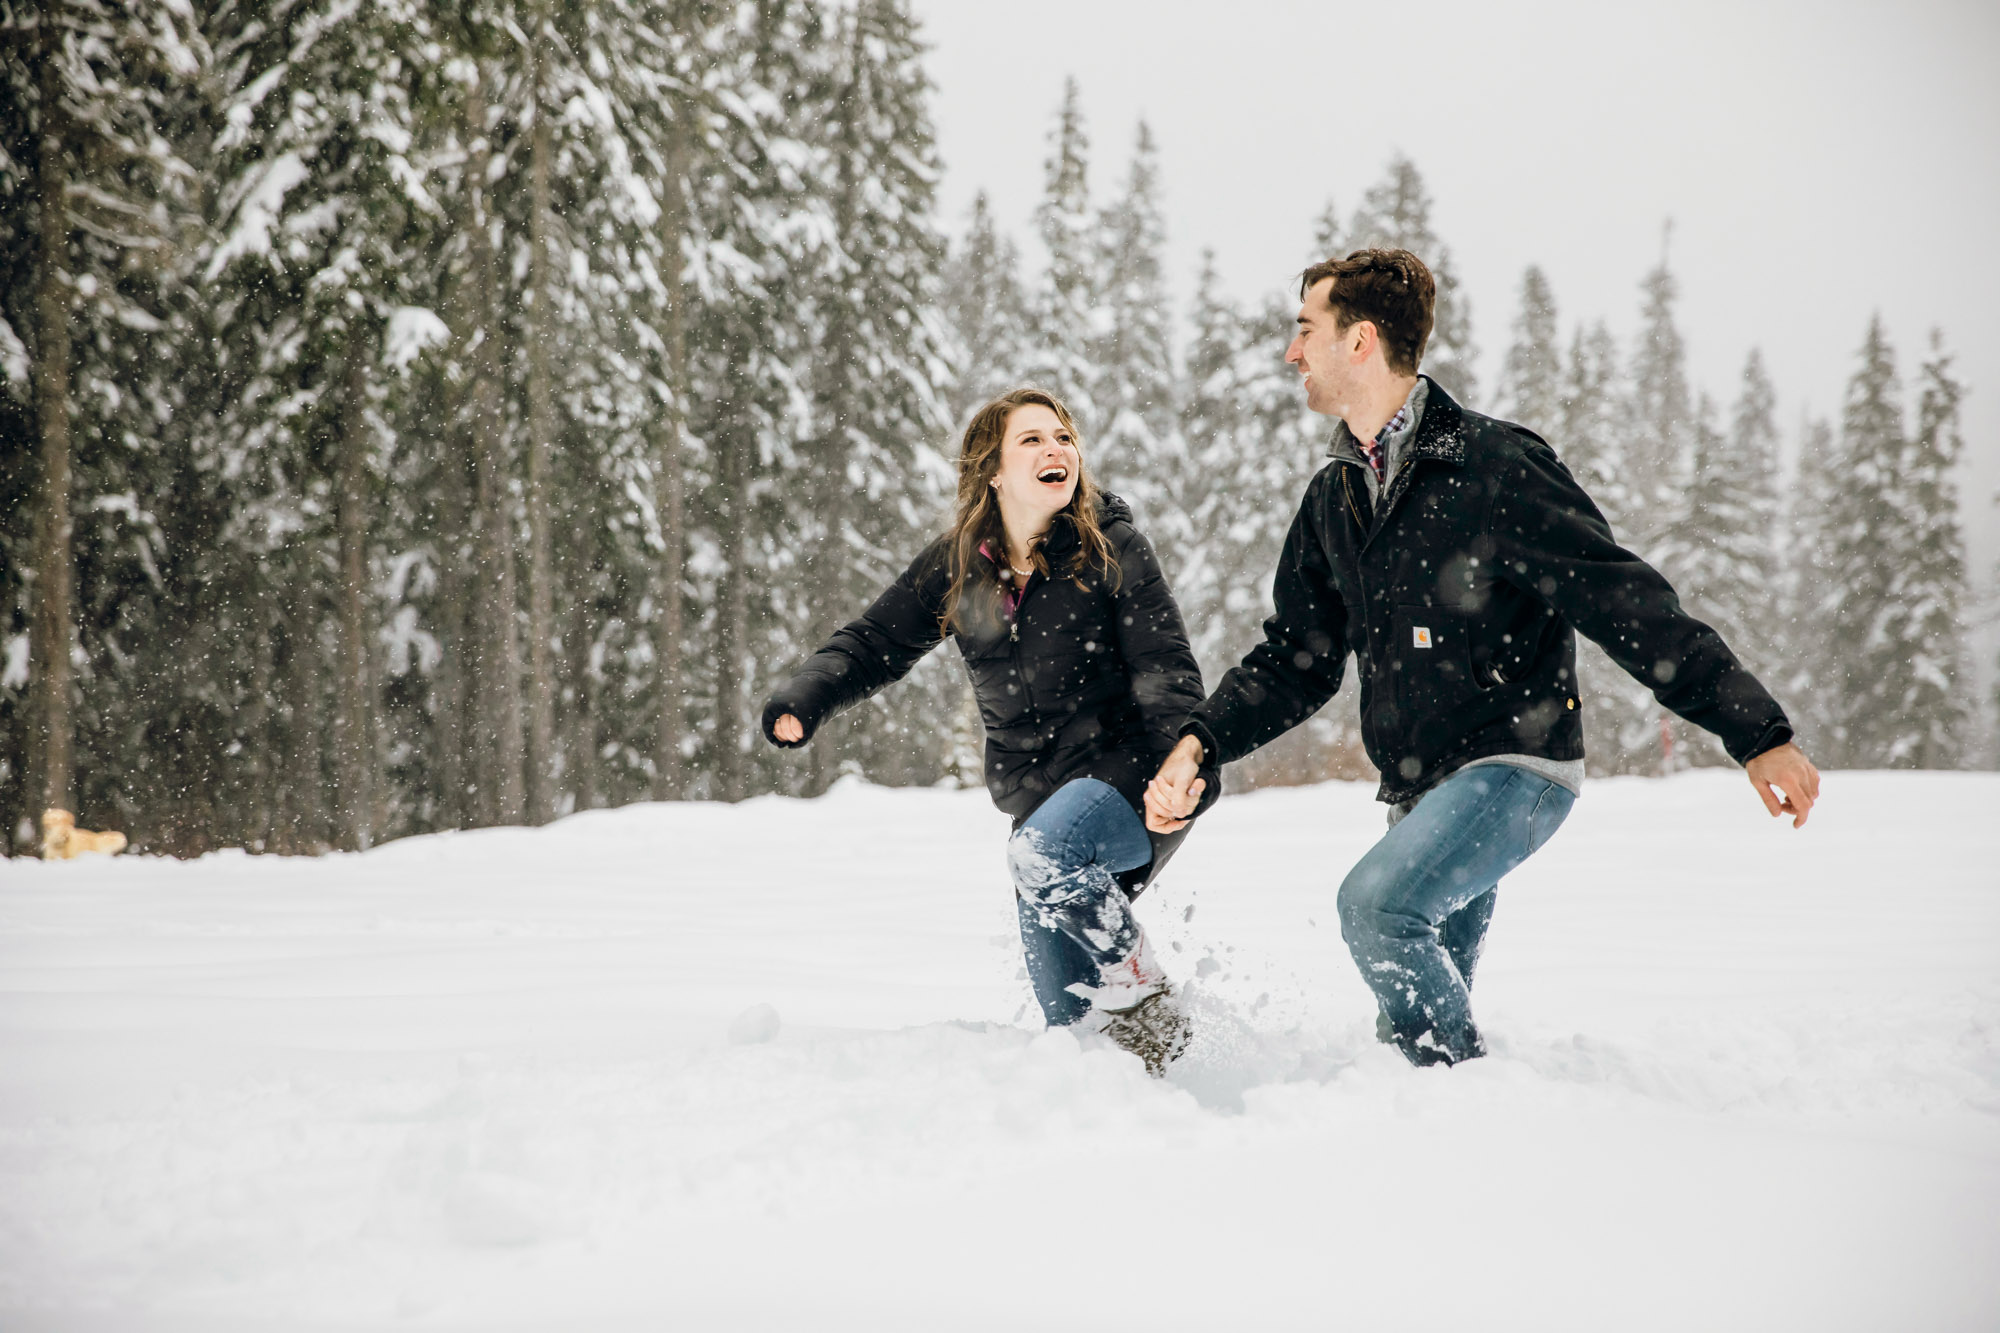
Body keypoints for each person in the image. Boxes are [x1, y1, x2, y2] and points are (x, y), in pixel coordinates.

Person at [1145, 248, 1820, 1067]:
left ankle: (1476, 1101)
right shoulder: (1339, 495)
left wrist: (1756, 731)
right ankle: (1449, 1141)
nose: (1292, 352)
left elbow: (1624, 601)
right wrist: (1203, 740)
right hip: (1422, 788)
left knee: (1376, 911)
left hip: (1516, 765)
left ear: (1359, 341)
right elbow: (1297, 656)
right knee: (1413, 1035)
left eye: (1305, 330)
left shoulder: (1494, 468)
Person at [763, 387, 1218, 1074]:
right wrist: (804, 697)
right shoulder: (958, 566)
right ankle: (1162, 1109)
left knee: (1044, 855)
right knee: (1073, 1027)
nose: (1055, 449)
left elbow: (1168, 671)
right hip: (1037, 807)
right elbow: (871, 643)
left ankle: (1147, 994)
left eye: (1063, 437)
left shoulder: (1111, 548)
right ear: (994, 471)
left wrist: (1182, 768)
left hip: (1135, 779)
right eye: (1032, 439)